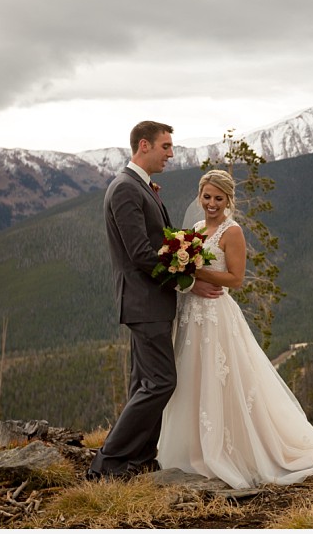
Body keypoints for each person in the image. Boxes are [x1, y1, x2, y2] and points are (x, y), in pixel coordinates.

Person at [157, 170, 313, 489]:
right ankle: (194, 448)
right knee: (193, 377)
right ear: (200, 196)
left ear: (228, 200)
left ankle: (230, 448)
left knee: (221, 378)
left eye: (218, 198)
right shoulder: (195, 229)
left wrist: (199, 272)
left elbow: (236, 278)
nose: (211, 204)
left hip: (216, 316)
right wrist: (188, 276)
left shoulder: (232, 231)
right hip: (192, 315)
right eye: (207, 197)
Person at [89, 121, 221, 480]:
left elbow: (154, 241)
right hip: (143, 301)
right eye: (166, 146)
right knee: (161, 382)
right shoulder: (125, 190)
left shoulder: (139, 187)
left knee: (143, 382)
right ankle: (108, 462)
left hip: (148, 301)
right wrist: (187, 281)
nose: (171, 153)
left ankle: (140, 457)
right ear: (144, 145)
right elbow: (141, 254)